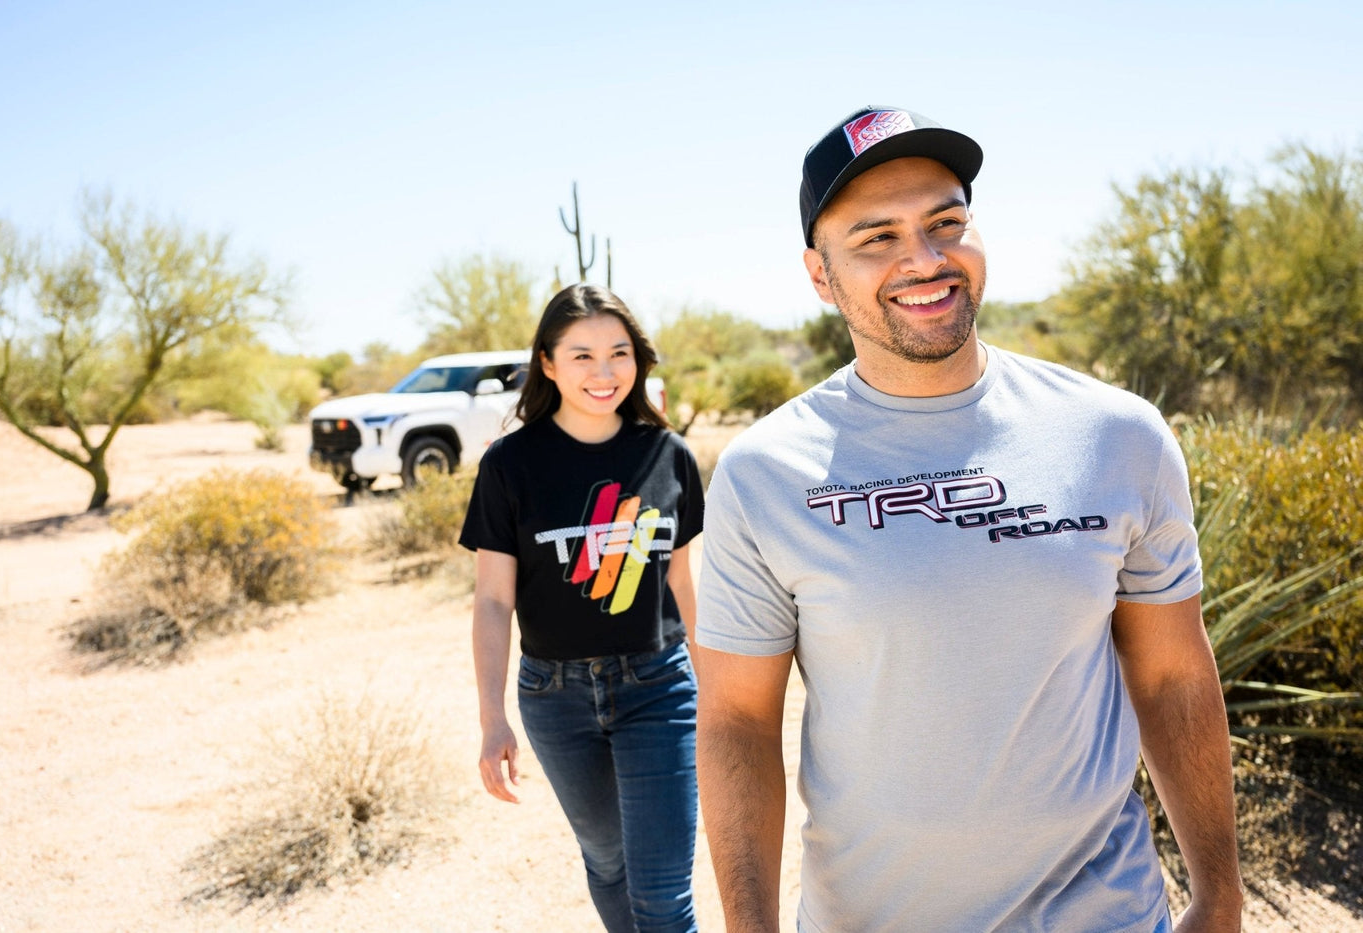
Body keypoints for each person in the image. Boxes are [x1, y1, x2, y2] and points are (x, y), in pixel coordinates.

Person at [694, 107, 1243, 932]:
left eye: (946, 221)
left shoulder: (1118, 435)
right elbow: (738, 717)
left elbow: (1173, 676)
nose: (924, 259)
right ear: (819, 273)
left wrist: (1221, 896)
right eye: (876, 237)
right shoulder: (766, 472)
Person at [460, 283, 705, 933]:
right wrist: (492, 719)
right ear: (546, 362)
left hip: (659, 687)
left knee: (663, 894)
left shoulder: (669, 455)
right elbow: (491, 599)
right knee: (606, 862)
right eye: (582, 356)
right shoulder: (511, 464)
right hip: (555, 696)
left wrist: (721, 691)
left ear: (639, 358)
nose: (604, 373)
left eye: (619, 353)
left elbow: (685, 582)